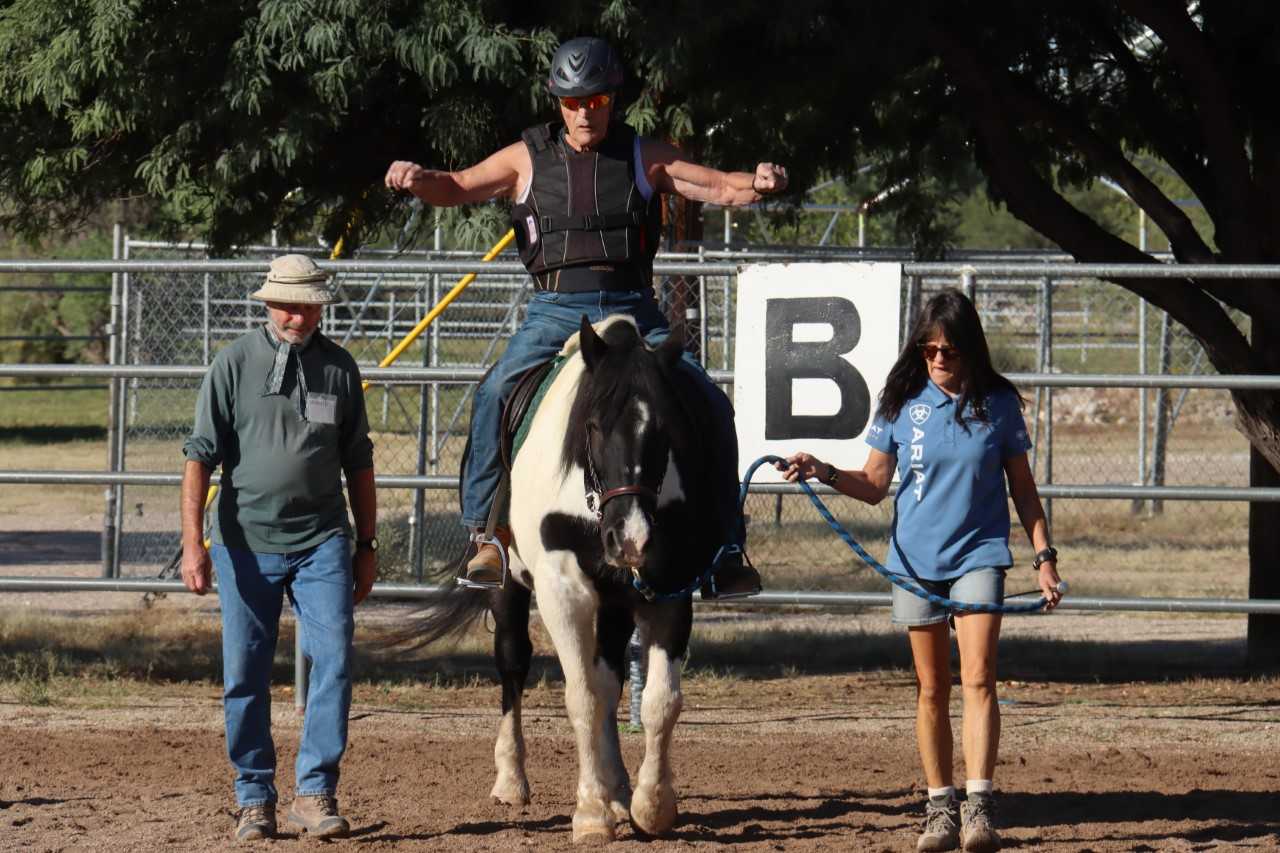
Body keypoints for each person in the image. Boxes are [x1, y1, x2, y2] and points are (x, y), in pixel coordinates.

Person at [384, 36, 787, 595]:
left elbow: (717, 185)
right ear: (557, 102)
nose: (583, 113)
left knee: (710, 400)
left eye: (595, 101)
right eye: (572, 102)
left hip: (633, 307)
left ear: (612, 100)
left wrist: (758, 183)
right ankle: (485, 538)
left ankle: (726, 546)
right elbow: (456, 186)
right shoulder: (525, 157)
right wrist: (418, 178)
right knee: (495, 392)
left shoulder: (646, 156)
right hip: (555, 310)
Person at [778, 289, 1062, 853]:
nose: (938, 359)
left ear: (970, 350)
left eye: (950, 350)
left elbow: (1024, 491)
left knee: (979, 678)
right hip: (914, 562)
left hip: (980, 555)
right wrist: (825, 469)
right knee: (932, 688)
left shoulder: (999, 404)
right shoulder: (900, 402)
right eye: (929, 348)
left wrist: (1044, 556)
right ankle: (939, 808)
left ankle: (979, 806)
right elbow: (875, 485)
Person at [180, 254, 378, 842]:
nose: (300, 315)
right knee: (245, 670)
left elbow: (359, 460)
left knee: (334, 658)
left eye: (310, 304)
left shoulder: (339, 368)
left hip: (323, 541)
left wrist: (366, 543)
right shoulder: (233, 363)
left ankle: (315, 792)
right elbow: (199, 456)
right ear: (268, 304)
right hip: (246, 541)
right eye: (290, 304)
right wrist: (194, 543)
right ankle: (253, 797)